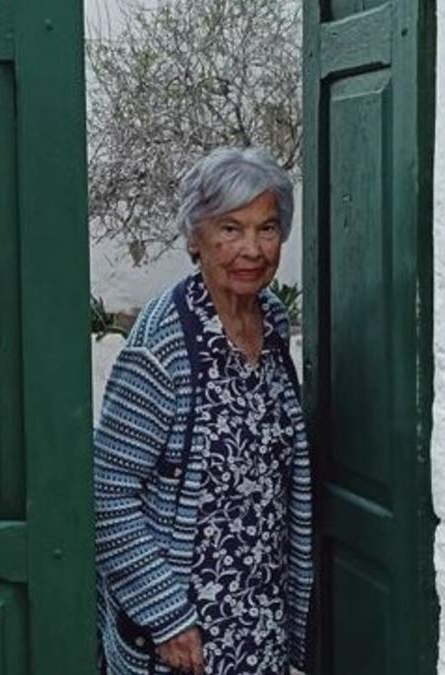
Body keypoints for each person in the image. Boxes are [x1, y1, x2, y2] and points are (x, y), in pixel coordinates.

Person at [94, 147, 313, 675]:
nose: (252, 249)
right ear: (195, 237)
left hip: (259, 617)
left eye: (267, 229)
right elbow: (107, 491)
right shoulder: (162, 345)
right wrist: (167, 618)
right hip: (184, 631)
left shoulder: (273, 320)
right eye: (231, 229)